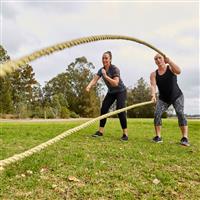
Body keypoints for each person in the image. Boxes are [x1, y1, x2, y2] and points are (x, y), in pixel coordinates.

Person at [86, 51, 128, 141]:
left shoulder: (115, 69)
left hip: (120, 91)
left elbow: (115, 83)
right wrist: (89, 86)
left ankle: (125, 134)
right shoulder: (101, 70)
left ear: (110, 59)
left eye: (106, 58)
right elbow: (95, 79)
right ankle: (100, 131)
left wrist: (105, 76)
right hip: (111, 92)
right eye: (103, 58)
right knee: (104, 108)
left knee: (120, 110)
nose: (104, 60)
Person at [150, 54, 189, 146]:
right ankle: (158, 137)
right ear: (155, 61)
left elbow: (179, 71)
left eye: (160, 58)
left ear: (164, 59)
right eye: (156, 59)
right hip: (163, 99)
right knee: (157, 114)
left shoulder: (170, 68)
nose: (158, 60)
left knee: (180, 113)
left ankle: (185, 138)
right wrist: (153, 95)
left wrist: (170, 61)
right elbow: (153, 86)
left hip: (177, 96)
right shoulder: (154, 74)